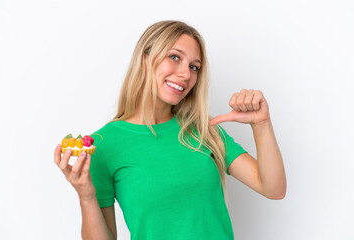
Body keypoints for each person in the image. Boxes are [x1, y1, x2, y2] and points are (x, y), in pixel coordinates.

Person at [54, 20, 286, 240]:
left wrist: (262, 124)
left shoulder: (204, 129)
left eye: (194, 67)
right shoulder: (102, 146)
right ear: (145, 59)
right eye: (174, 57)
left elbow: (273, 188)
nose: (186, 74)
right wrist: (86, 195)